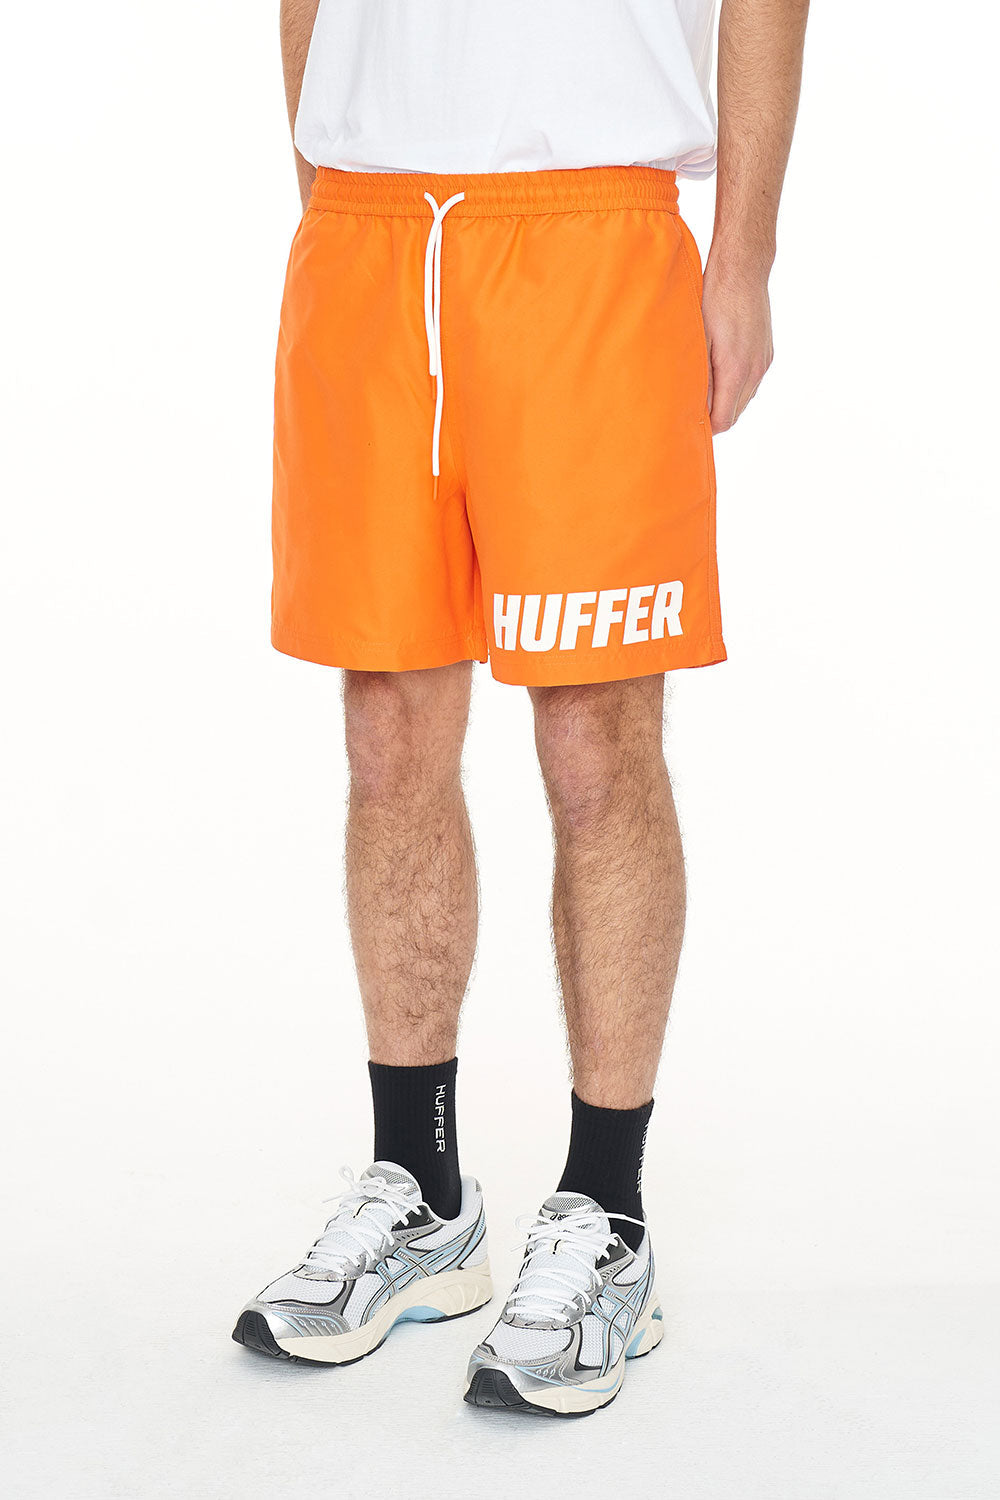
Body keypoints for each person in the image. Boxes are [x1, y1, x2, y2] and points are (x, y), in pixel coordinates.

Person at [233, 0, 808, 1417]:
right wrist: (326, 176)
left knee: (595, 738)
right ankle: (421, 1191)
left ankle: (608, 1214)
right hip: (370, 233)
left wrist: (743, 250)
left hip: (591, 231)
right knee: (388, 731)